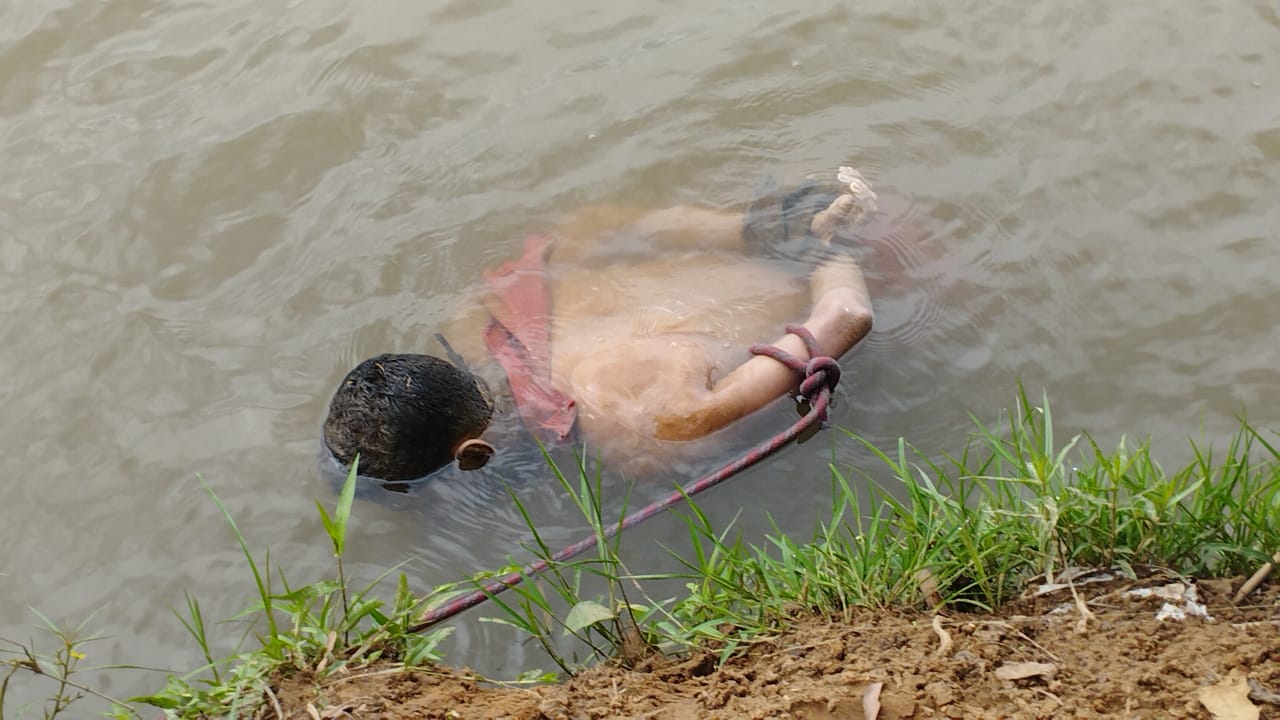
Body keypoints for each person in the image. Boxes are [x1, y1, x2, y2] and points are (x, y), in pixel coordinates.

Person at [323, 168, 878, 482]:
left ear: (475, 453)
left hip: (872, 258)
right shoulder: (481, 317)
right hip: (804, 204)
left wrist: (824, 250)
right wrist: (761, 229)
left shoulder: (648, 423)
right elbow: (589, 224)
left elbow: (847, 315)